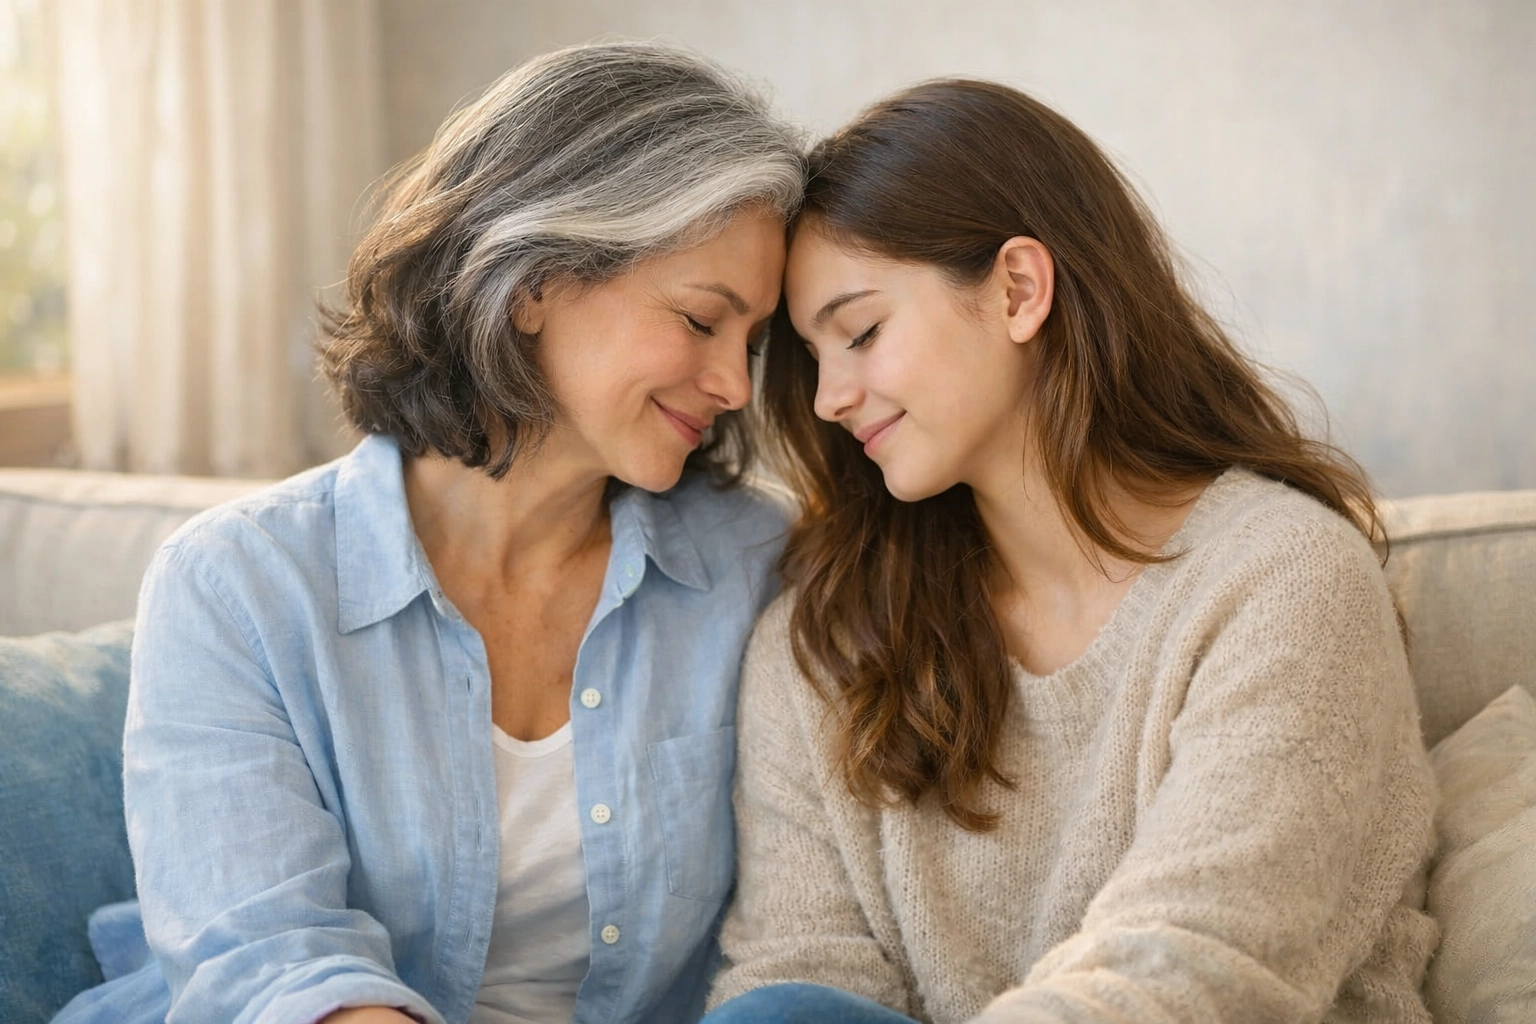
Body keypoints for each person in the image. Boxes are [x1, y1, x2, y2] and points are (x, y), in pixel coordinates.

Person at [53, 42, 803, 1024]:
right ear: (533, 281)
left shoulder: (755, 567)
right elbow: (272, 963)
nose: (734, 385)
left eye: (751, 343)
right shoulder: (237, 585)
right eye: (702, 320)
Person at [704, 80, 1437, 1024]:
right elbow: (796, 974)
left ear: (1018, 290)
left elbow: (1197, 969)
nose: (827, 401)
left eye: (862, 333)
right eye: (814, 357)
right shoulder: (825, 641)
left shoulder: (1285, 579)